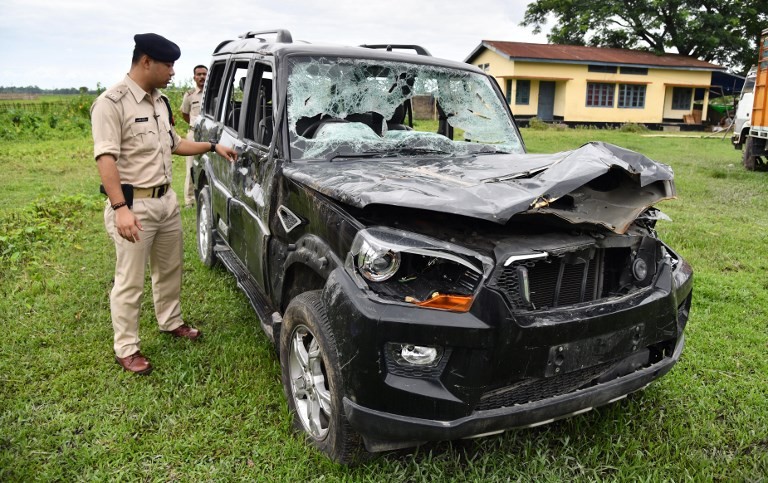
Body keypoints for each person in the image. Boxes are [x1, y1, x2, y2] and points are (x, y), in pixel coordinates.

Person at [91, 33, 238, 375]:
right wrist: (120, 209)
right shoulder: (111, 103)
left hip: (165, 202)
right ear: (146, 61)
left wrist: (212, 146)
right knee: (130, 280)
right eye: (168, 65)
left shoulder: (160, 101)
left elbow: (174, 144)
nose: (174, 71)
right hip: (134, 207)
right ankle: (126, 346)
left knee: (169, 269)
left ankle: (170, 321)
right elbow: (106, 159)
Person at [180, 65, 207, 207]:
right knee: (191, 167)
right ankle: (189, 200)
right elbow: (184, 113)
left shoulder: (213, 93)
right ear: (194, 77)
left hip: (209, 134)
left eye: (204, 74)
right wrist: (194, 125)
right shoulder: (189, 95)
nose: (202, 77)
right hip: (194, 134)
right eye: (199, 74)